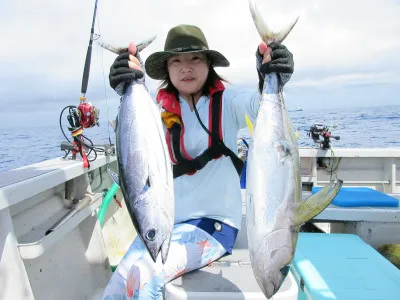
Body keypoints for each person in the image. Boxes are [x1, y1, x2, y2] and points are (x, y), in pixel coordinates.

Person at [103, 24, 294, 299]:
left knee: (145, 276)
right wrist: (127, 83)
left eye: (195, 59)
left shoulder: (228, 101)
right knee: (117, 287)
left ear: (209, 64)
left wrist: (270, 78)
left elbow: (261, 106)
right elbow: (133, 138)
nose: (186, 68)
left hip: (214, 227)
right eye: (176, 61)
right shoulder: (154, 110)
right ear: (167, 69)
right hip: (165, 224)